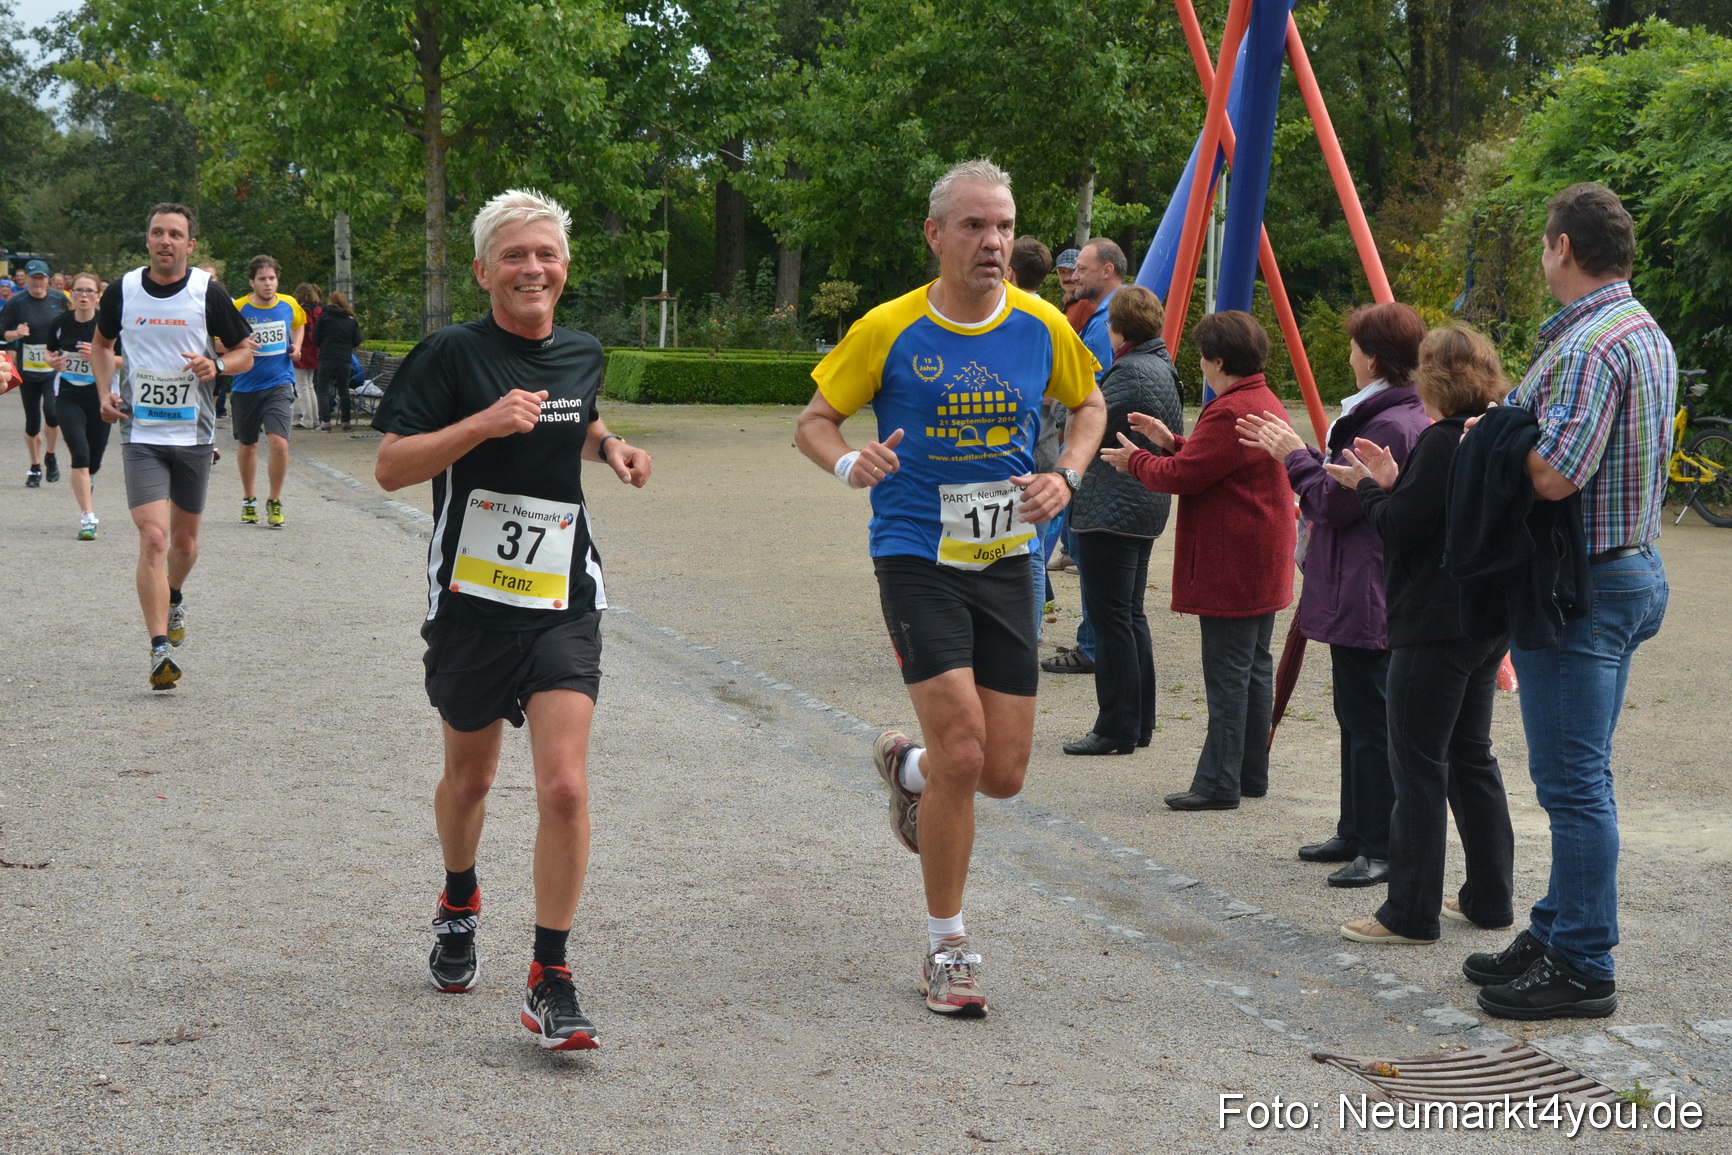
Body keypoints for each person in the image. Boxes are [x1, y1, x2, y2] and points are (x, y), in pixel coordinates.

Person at [795, 159, 1105, 1016]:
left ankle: (910, 769)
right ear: (936, 236)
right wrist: (851, 461)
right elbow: (814, 423)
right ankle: (948, 945)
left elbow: (1089, 408)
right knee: (968, 749)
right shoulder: (889, 328)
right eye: (974, 226)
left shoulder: (1042, 324)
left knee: (999, 772)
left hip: (1007, 556)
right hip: (914, 554)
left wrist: (1069, 476)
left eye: (1003, 226)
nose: (994, 242)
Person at [373, 188, 652, 1051]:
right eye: (516, 256)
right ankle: (459, 895)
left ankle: (550, 976)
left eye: (547, 254)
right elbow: (390, 466)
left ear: (565, 265)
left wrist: (609, 447)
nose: (534, 268)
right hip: (471, 600)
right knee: (473, 779)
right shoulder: (450, 354)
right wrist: (482, 423)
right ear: (484, 269)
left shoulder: (582, 352)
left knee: (564, 783)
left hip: (564, 594)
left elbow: (577, 413)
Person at [1453, 183, 1674, 1021]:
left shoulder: (1588, 345)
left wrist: (1492, 440)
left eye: (1545, 244)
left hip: (1583, 586)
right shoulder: (1643, 330)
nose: (1544, 256)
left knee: (1573, 782)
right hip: (1629, 568)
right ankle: (1555, 926)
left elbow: (1554, 474)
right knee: (1583, 774)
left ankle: (1584, 960)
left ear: (1563, 249)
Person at [1321, 325, 1516, 946]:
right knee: (1470, 756)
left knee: (1419, 765)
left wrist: (1372, 490)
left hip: (1434, 622)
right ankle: (1489, 896)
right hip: (1486, 618)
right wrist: (1394, 481)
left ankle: (1409, 913)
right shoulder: (1499, 431)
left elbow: (1403, 528)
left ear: (1435, 379)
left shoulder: (1442, 441)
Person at [1238, 303, 1430, 888]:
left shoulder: (1387, 422)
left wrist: (1292, 456)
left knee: (1371, 719)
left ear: (1372, 356)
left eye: (1353, 348)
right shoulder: (1396, 412)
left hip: (1368, 585)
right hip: (1363, 582)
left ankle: (1379, 843)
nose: (1348, 357)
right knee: (1356, 713)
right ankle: (1356, 826)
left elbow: (1333, 502)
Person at [1101, 310, 1295, 810]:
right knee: (1252, 668)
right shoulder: (1260, 398)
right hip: (1261, 555)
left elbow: (1186, 476)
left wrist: (1137, 460)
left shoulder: (1231, 409)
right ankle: (1249, 772)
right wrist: (1171, 442)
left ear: (1218, 360)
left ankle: (1218, 781)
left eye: (1204, 357)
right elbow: (1213, 463)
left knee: (1229, 672)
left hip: (1235, 560)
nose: (1201, 364)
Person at [91, 203, 255, 690]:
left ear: (190, 245)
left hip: (194, 436)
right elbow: (101, 345)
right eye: (158, 233)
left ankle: (175, 593)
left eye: (175, 235)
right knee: (154, 538)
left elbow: (246, 352)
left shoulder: (208, 293)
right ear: (147, 240)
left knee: (183, 545)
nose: (166, 241)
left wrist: (218, 367)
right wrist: (105, 394)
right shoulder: (124, 289)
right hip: (140, 434)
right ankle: (159, 648)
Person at [1062, 285, 1182, 755]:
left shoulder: (1128, 371)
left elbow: (1087, 426)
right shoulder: (1162, 366)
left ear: (1117, 327)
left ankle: (1115, 726)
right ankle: (1139, 721)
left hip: (1112, 505)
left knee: (1111, 619)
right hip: (1142, 502)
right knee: (1129, 615)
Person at [231, 255, 306, 528]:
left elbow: (299, 323)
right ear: (252, 281)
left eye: (272, 278)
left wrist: (296, 347)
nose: (268, 283)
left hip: (279, 383)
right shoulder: (238, 308)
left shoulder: (289, 304)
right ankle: (249, 499)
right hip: (245, 386)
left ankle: (274, 499)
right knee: (248, 445)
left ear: (278, 280)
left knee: (279, 443)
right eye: (262, 279)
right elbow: (216, 342)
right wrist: (239, 347)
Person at [46, 271, 120, 539]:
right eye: (79, 290)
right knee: (80, 455)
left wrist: (101, 355)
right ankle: (88, 517)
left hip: (100, 396)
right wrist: (51, 361)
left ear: (98, 296)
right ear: (71, 294)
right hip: (67, 395)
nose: (84, 295)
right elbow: (49, 349)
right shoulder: (61, 322)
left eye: (90, 291)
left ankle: (87, 480)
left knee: (94, 462)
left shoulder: (108, 325)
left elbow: (126, 359)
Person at [1, 258, 69, 486]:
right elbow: (3, 333)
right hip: (28, 372)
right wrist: (16, 333)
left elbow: (69, 325)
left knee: (52, 413)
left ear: (48, 279)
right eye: (33, 278)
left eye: (41, 278)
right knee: (32, 423)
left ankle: (51, 455)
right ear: (27, 279)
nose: (37, 282)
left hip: (52, 370)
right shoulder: (16, 302)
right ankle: (35, 466)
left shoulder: (59, 299)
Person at [1072, 238, 1129, 378]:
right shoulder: (1128, 308)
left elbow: (1092, 387)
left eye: (1081, 269)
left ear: (1107, 271)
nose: (1074, 277)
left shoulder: (1110, 319)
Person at [314, 291, 362, 431]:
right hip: (344, 358)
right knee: (343, 389)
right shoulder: (351, 319)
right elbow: (357, 341)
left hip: (326, 356)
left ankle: (325, 422)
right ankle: (346, 422)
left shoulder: (324, 317)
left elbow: (316, 338)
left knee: (322, 388)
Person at [291, 283, 324, 430]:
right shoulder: (319, 311)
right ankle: (315, 418)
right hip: (315, 351)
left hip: (303, 351)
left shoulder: (300, 311)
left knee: (302, 386)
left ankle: (307, 420)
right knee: (310, 386)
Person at [1055, 248, 1092, 333]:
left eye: (1072, 271)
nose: (1068, 278)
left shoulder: (1087, 305)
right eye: (1062, 272)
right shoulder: (1068, 302)